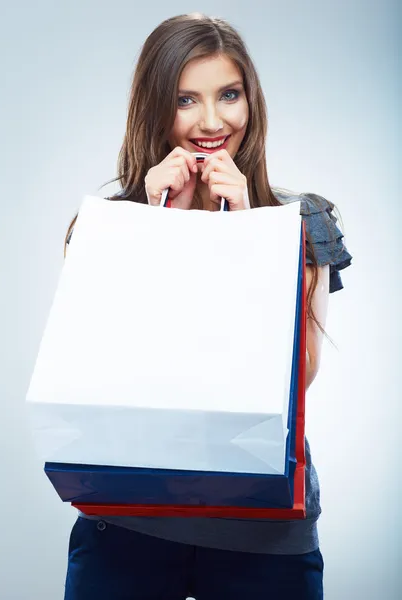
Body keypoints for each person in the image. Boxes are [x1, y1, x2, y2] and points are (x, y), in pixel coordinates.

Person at [62, 13, 352, 600]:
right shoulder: (109, 222)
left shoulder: (300, 218)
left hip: (264, 522)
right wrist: (151, 225)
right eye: (185, 100)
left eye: (228, 95)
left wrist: (250, 232)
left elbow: (302, 373)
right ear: (154, 107)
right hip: (126, 517)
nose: (212, 122)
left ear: (252, 101)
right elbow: (97, 359)